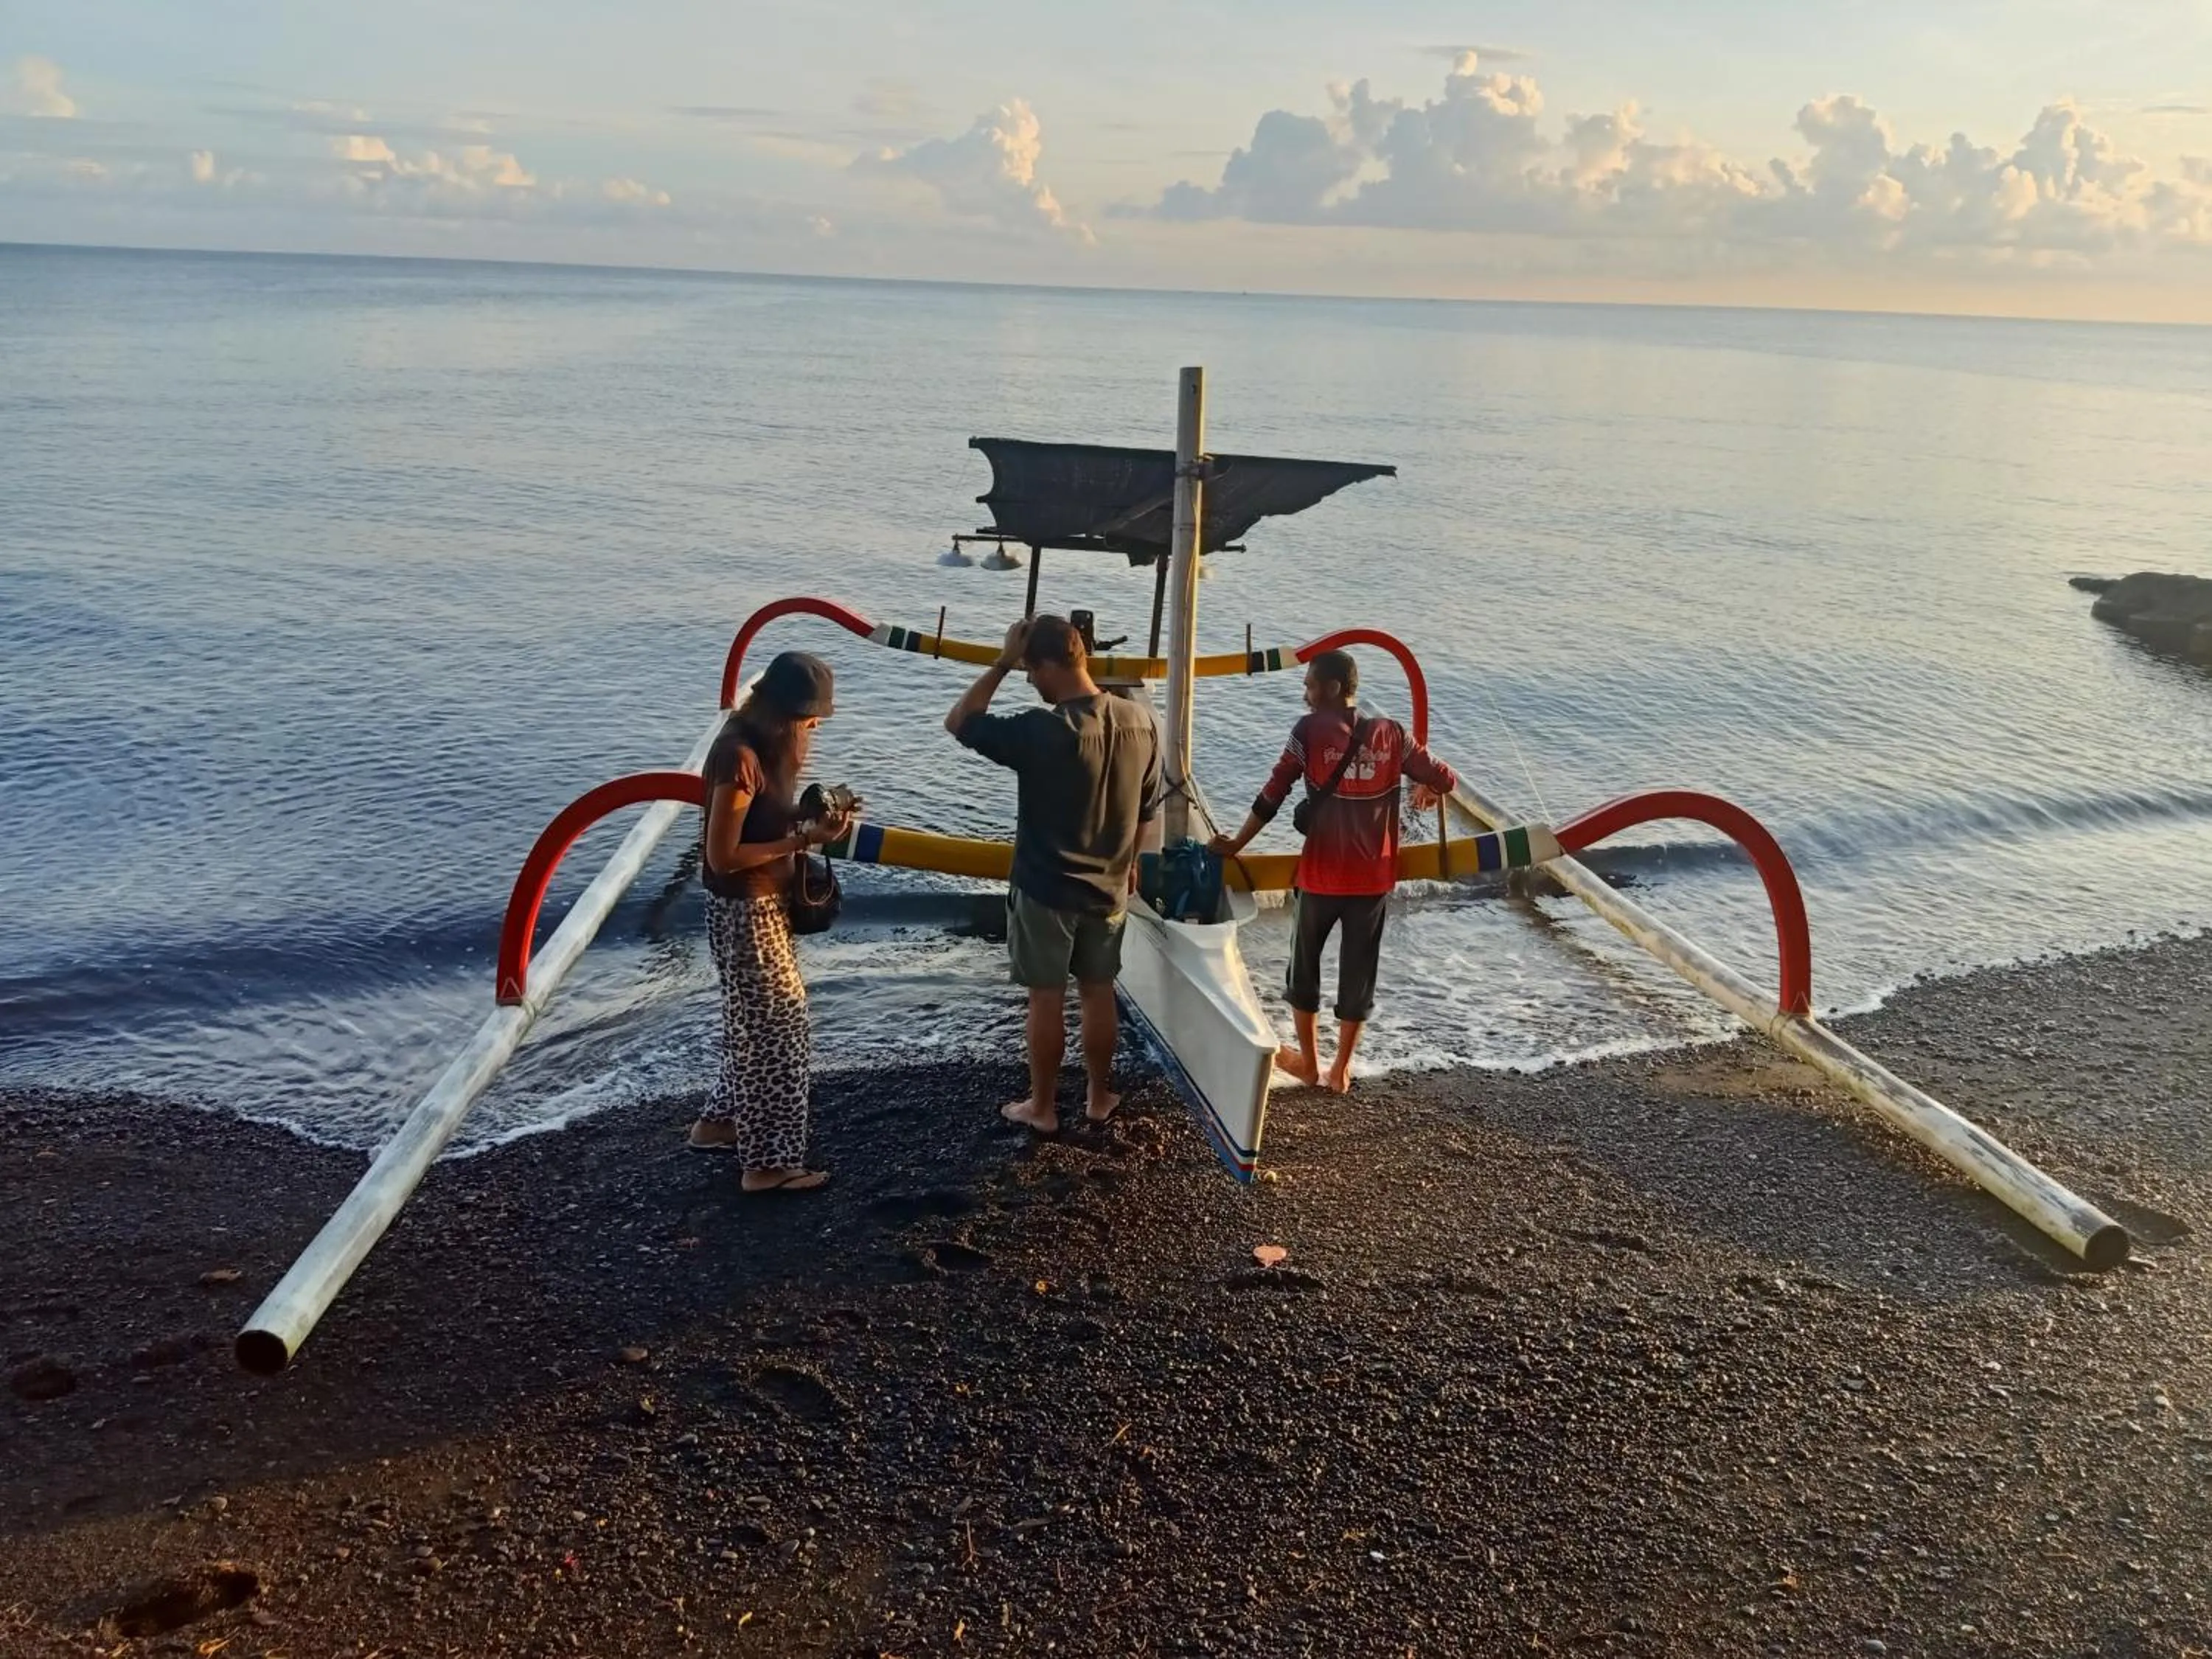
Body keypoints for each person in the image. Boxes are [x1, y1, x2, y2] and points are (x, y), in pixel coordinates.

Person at [945, 614, 1161, 1133]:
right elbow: (1147, 810)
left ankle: (1041, 1106)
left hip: (1047, 885)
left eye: (1028, 670)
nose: (1029, 681)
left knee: (1046, 997)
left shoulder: (1044, 730)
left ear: (1045, 665)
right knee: (1098, 989)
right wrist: (1130, 863)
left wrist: (998, 663)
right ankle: (1097, 1095)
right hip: (1109, 884)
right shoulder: (1140, 721)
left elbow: (960, 721)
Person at [1210, 649, 1457, 1093]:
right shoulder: (1392, 734)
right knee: (1358, 972)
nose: (1305, 695)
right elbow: (1444, 776)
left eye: (1309, 685)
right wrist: (1427, 789)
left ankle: (1308, 1064)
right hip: (1373, 880)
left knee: (1303, 970)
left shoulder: (1308, 731)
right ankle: (1341, 1070)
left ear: (1333, 688)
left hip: (1321, 878)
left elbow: (1273, 794)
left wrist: (1236, 845)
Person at [688, 650, 855, 1192]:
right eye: (811, 718)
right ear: (786, 711)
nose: (814, 727)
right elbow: (723, 855)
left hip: (754, 904)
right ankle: (768, 1166)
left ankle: (720, 1123)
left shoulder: (763, 746)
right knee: (780, 1030)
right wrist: (803, 839)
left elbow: (759, 818)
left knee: (752, 1023)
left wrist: (807, 819)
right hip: (744, 908)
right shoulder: (737, 756)